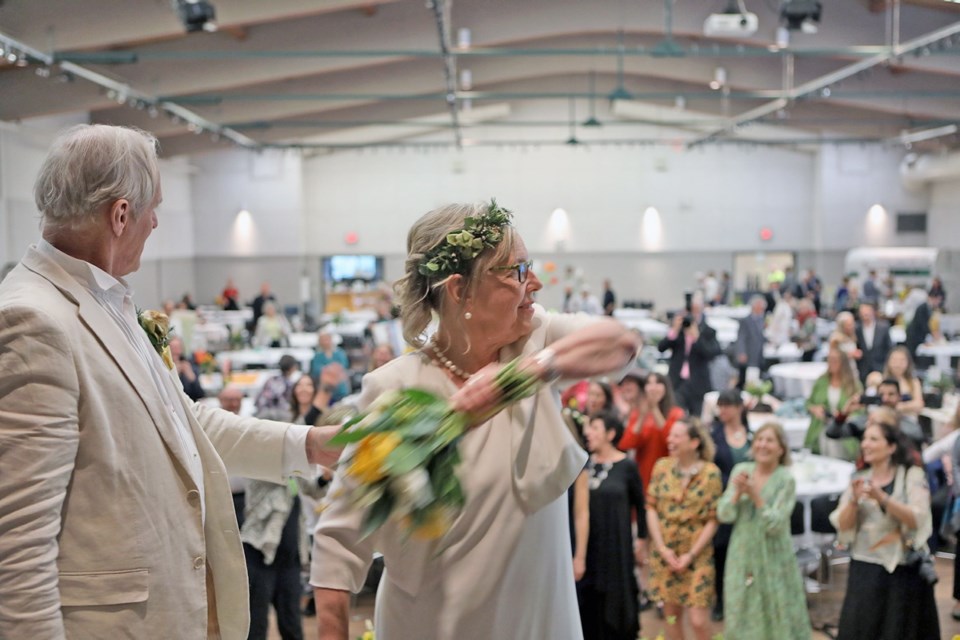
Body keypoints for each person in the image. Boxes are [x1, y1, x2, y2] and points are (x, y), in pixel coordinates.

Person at [0, 124, 339, 639]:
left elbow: (183, 423)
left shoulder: (106, 300)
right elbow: (17, 545)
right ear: (119, 215)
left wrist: (309, 443)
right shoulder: (34, 319)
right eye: (152, 207)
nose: (156, 222)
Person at [310, 201, 639, 640]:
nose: (535, 284)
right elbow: (339, 540)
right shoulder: (395, 390)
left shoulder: (534, 337)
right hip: (433, 626)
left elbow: (622, 343)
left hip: (540, 623)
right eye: (516, 271)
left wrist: (527, 373)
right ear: (458, 289)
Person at [829, 418, 940, 640]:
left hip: (902, 570)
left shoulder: (911, 475)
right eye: (864, 439)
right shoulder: (858, 479)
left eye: (873, 439)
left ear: (891, 447)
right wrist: (853, 502)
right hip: (866, 568)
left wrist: (882, 498)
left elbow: (918, 518)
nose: (866, 444)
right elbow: (843, 525)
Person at [243, 374, 328, 640]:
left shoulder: (292, 469)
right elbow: (286, 469)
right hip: (261, 553)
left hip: (290, 556)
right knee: (256, 626)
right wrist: (319, 399)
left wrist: (325, 476)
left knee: (292, 625)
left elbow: (309, 489)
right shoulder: (258, 465)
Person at [717, 422, 812, 640]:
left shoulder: (785, 479)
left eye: (769, 440)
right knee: (741, 604)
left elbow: (775, 524)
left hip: (774, 554)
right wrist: (736, 493)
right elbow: (724, 514)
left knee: (776, 606)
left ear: (781, 448)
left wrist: (755, 496)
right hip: (742, 552)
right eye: (759, 439)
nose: (762, 445)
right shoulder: (741, 470)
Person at [645, 420, 722, 640]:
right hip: (666, 552)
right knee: (671, 616)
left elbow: (713, 519)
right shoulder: (662, 467)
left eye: (677, 436)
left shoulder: (710, 473)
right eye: (670, 436)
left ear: (694, 442)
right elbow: (651, 508)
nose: (670, 440)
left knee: (698, 620)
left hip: (697, 553)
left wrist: (691, 555)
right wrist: (661, 548)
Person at [579, 412, 647, 640]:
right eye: (588, 427)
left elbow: (641, 504)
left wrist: (642, 540)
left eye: (595, 427)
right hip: (587, 544)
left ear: (610, 433)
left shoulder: (626, 465)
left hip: (616, 543)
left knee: (616, 593)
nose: (588, 432)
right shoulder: (582, 463)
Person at [708, 389, 752, 621]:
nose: (722, 410)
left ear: (738, 408)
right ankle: (721, 600)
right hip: (725, 497)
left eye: (726, 405)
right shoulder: (714, 435)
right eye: (720, 406)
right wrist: (732, 484)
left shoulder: (752, 435)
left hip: (748, 500)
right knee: (721, 550)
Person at [617, 372, 685, 489]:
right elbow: (626, 444)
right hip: (643, 475)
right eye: (649, 383)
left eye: (658, 382)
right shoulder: (637, 414)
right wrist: (642, 416)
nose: (653, 387)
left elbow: (669, 441)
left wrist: (654, 409)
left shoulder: (676, 414)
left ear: (666, 388)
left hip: (668, 475)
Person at [658, 298, 721, 417]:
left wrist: (697, 337)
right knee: (676, 414)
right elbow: (661, 347)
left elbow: (711, 353)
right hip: (678, 381)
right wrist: (674, 330)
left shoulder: (708, 331)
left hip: (698, 383)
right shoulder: (679, 332)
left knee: (697, 418)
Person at [805, 348, 862, 459]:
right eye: (829, 360)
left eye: (835, 360)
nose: (832, 363)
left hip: (843, 433)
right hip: (821, 428)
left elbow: (860, 412)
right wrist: (815, 409)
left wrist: (844, 415)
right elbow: (808, 403)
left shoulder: (853, 385)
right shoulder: (821, 381)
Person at [733, 295, 767, 388]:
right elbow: (741, 338)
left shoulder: (761, 319)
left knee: (756, 378)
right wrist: (741, 352)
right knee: (745, 378)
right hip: (748, 353)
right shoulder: (745, 321)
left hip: (758, 354)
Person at [855, 301, 892, 384]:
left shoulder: (883, 327)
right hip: (863, 370)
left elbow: (889, 348)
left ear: (872, 312)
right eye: (863, 313)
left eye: (867, 312)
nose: (865, 315)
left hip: (879, 368)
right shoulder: (856, 329)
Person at [882, 346, 924, 416]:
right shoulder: (882, 380)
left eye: (902, 360)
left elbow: (919, 404)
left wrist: (901, 406)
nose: (898, 364)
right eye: (894, 360)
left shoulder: (914, 382)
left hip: (909, 420)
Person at [309, 329, 351, 398]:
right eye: (323, 339)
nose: (325, 342)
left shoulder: (340, 353)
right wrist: (330, 369)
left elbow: (343, 366)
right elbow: (316, 370)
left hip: (340, 389)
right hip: (325, 390)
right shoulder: (317, 356)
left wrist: (327, 369)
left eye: (327, 339)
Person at [905, 289, 943, 357]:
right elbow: (923, 324)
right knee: (911, 356)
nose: (939, 302)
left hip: (919, 335)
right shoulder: (922, 308)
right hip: (914, 336)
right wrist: (933, 333)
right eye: (938, 299)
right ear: (932, 298)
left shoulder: (930, 308)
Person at [170, 334, 206, 401]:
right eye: (172, 348)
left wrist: (191, 378)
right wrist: (174, 374)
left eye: (178, 348)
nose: (175, 351)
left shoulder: (190, 366)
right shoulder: (165, 369)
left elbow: (200, 394)